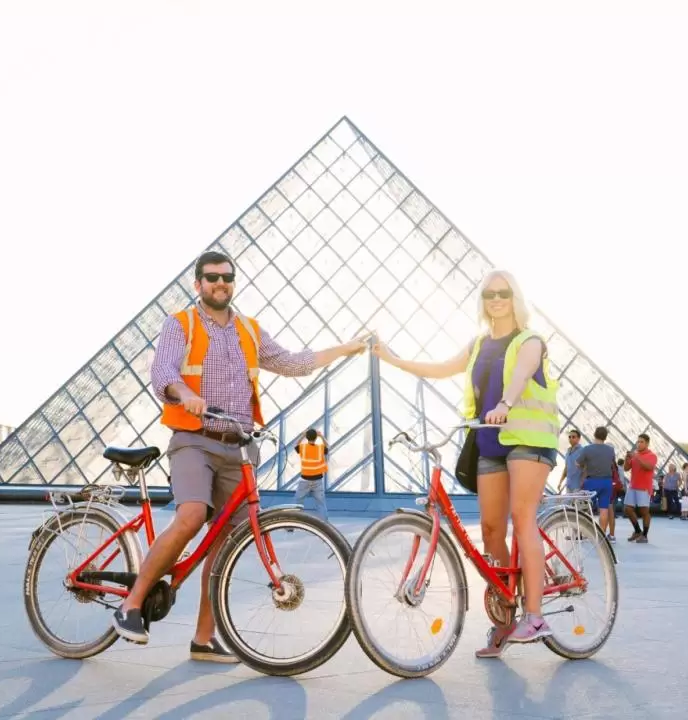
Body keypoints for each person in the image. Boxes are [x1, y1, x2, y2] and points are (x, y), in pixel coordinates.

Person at [111, 250, 369, 662]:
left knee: (226, 545)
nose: (220, 283)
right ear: (198, 284)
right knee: (193, 516)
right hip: (194, 440)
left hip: (238, 448)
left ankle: (203, 639)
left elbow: (292, 362)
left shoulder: (249, 330)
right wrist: (187, 394)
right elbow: (163, 372)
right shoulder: (181, 324)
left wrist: (345, 349)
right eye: (211, 277)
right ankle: (131, 605)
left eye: (227, 277)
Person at [373, 268, 560, 659]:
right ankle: (507, 615)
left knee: (522, 518)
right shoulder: (478, 345)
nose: (496, 299)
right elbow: (441, 369)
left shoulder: (530, 340)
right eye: (489, 293)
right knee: (492, 531)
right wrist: (392, 360)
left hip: (529, 440)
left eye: (503, 292)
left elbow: (522, 376)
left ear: (515, 297)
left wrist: (505, 404)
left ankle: (536, 615)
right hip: (489, 443)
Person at [576, 426, 615, 533]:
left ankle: (582, 533)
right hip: (607, 482)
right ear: (605, 437)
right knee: (604, 509)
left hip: (592, 481)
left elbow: (577, 463)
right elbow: (611, 464)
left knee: (585, 509)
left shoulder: (587, 449)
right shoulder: (611, 450)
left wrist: (586, 465)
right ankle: (602, 533)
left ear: (594, 434)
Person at [623, 434, 658, 542]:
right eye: (638, 442)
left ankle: (645, 535)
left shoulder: (652, 455)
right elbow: (626, 468)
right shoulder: (635, 455)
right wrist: (627, 459)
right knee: (627, 509)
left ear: (647, 443)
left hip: (644, 487)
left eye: (641, 442)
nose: (639, 444)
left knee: (644, 511)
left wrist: (636, 457)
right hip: (633, 486)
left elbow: (649, 467)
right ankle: (638, 531)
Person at [294, 428, 329, 521]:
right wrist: (321, 436)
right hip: (318, 480)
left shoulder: (303, 447)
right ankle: (325, 524)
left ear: (307, 437)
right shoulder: (320, 448)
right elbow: (327, 446)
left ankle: (293, 523)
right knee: (321, 503)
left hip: (305, 479)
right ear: (316, 437)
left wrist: (302, 435)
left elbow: (295, 444)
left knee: (298, 502)